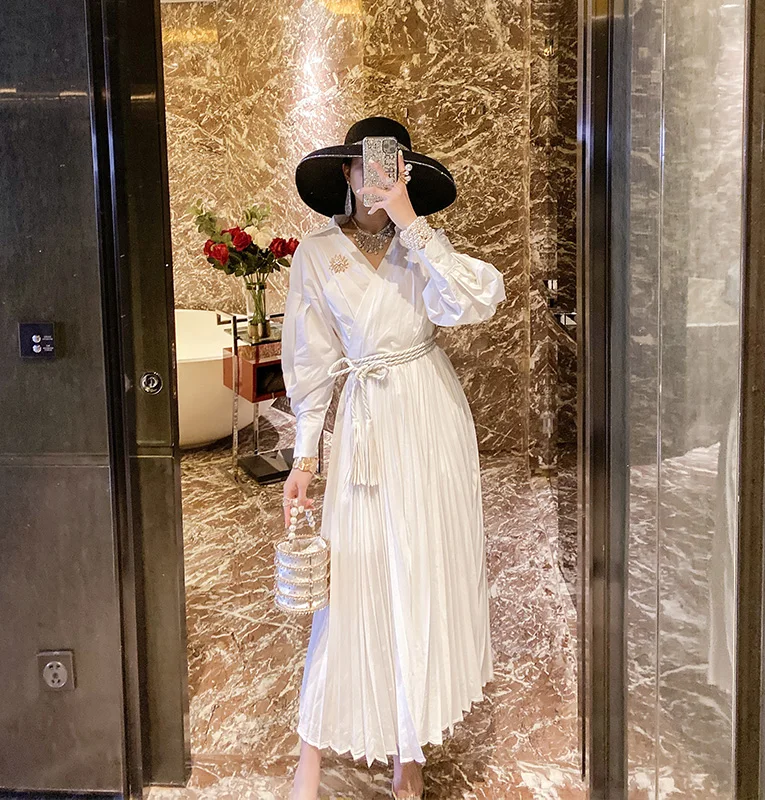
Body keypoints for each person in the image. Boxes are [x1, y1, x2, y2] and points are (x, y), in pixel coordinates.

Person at [281, 116, 506, 800]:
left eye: (390, 166)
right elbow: (310, 362)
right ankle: (311, 751)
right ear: (345, 174)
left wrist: (412, 221)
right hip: (366, 430)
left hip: (430, 419)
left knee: (421, 570)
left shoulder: (423, 244)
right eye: (363, 165)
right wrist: (304, 459)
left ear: (405, 174)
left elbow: (477, 300)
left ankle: (411, 750)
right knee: (350, 582)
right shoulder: (317, 252)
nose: (374, 177)